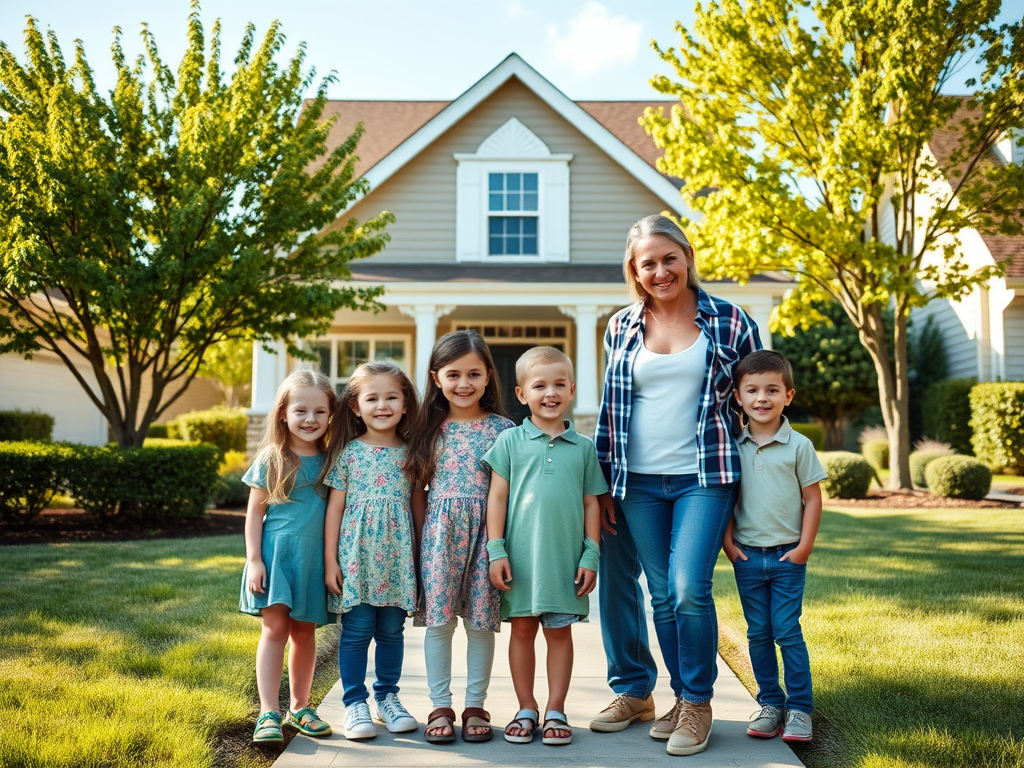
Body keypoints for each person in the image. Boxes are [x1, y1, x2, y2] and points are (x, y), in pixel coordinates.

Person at [592, 214, 762, 756]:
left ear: (687, 256)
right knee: (661, 593)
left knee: (690, 588)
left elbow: (755, 406)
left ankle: (698, 702)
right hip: (635, 481)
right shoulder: (620, 326)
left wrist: (756, 492)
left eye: (669, 259)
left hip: (703, 478)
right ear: (634, 271)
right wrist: (601, 485)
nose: (660, 271)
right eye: (648, 264)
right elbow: (611, 413)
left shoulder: (732, 321)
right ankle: (675, 698)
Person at [483, 347, 608, 746]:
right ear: (522, 394)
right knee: (521, 631)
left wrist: (591, 554)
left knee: (559, 635)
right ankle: (525, 707)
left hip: (564, 562)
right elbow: (497, 498)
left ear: (571, 389)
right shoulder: (509, 441)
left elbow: (592, 502)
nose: (549, 393)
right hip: (519, 560)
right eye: (539, 385)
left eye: (558, 385)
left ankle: (556, 708)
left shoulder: (584, 448)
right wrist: (496, 550)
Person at [404, 330, 515, 744]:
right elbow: (417, 493)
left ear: (489, 377)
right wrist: (419, 542)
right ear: (436, 378)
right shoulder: (425, 429)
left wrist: (500, 543)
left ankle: (474, 705)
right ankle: (439, 705)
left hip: (489, 535)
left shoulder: (504, 430)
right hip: (438, 534)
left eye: (474, 374)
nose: (463, 383)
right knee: (439, 623)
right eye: (453, 374)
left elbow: (509, 492)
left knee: (481, 623)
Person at [722, 350, 827, 744]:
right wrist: (728, 543)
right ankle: (770, 703)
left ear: (789, 396)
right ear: (738, 396)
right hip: (747, 557)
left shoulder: (799, 445)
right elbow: (727, 498)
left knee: (787, 630)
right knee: (758, 633)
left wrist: (804, 548)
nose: (762, 398)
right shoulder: (733, 445)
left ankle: (799, 708)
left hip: (787, 556)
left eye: (772, 390)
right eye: (752, 390)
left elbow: (813, 499)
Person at [321, 361, 422, 740]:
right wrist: (330, 560)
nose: (382, 406)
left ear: (406, 403)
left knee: (393, 631)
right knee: (357, 630)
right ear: (355, 406)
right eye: (372, 398)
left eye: (391, 397)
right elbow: (335, 509)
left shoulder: (412, 454)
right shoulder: (348, 454)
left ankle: (387, 698)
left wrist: (420, 560)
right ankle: (354, 703)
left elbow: (417, 512)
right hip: (355, 560)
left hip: (397, 561)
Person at [240, 370, 335, 744]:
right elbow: (254, 513)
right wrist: (254, 560)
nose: (310, 419)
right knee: (275, 630)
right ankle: (268, 712)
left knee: (305, 632)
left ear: (330, 416)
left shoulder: (333, 460)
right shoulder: (272, 458)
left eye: (319, 411)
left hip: (313, 560)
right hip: (276, 556)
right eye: (301, 410)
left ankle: (300, 707)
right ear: (283, 413)